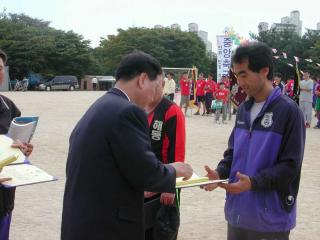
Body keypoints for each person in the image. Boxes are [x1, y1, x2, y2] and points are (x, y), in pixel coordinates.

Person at [61, 51, 193, 240]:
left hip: (84, 221)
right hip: (107, 227)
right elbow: (147, 172)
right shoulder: (127, 112)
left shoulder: (101, 105)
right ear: (142, 79)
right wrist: (175, 169)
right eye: (156, 87)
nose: (155, 95)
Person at [203, 42, 305, 240]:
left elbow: (290, 167)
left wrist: (254, 183)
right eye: (236, 75)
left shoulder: (289, 112)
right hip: (238, 213)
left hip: (271, 218)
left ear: (264, 71)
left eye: (244, 74)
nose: (239, 82)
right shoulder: (243, 109)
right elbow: (233, 153)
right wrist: (219, 172)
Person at [144, 75, 186, 240]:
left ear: (162, 84)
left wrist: (170, 186)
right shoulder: (138, 107)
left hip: (163, 186)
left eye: (158, 85)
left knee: (162, 232)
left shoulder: (171, 111)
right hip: (143, 184)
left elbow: (178, 152)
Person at [0, 49, 34, 240]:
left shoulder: (9, 107)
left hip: (4, 200)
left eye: (0, 68)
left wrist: (24, 151)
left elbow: (16, 150)